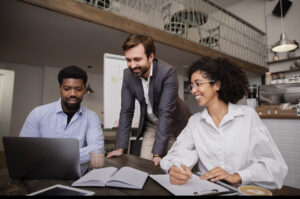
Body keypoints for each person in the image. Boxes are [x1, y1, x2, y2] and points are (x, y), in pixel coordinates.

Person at [160, 56, 288, 189]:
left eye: (198, 84)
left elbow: (275, 167)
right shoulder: (195, 122)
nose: (193, 90)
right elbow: (177, 154)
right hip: (208, 191)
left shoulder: (247, 116)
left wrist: (237, 176)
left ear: (217, 85)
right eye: (192, 86)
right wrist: (173, 168)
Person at [106, 34, 191, 166]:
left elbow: (165, 113)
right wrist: (120, 148)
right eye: (128, 60)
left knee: (172, 171)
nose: (132, 65)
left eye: (137, 59)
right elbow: (127, 111)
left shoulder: (168, 72)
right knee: (145, 167)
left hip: (175, 126)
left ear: (151, 56)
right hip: (151, 125)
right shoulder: (128, 75)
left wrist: (158, 154)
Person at [19, 66, 104, 164]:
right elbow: (25, 148)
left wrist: (53, 156)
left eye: (78, 89)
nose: (73, 93)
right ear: (60, 88)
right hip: (42, 174)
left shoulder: (91, 117)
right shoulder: (38, 113)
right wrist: (72, 156)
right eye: (67, 88)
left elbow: (97, 148)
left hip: (79, 175)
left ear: (84, 90)